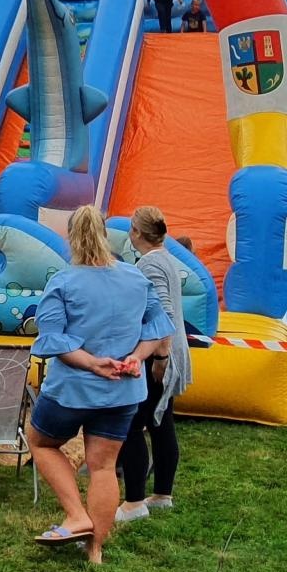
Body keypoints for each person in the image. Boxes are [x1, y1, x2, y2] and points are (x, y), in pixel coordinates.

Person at [27, 205, 173, 565]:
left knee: (41, 442)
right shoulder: (136, 279)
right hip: (122, 391)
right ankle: (95, 549)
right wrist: (137, 358)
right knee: (103, 467)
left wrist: (92, 362)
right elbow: (158, 326)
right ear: (106, 235)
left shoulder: (62, 281)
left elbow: (52, 339)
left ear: (71, 238)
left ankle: (76, 515)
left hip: (71, 389)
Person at [115, 207, 190, 522]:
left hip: (160, 356)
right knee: (161, 423)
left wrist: (159, 357)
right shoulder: (166, 259)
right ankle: (161, 493)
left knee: (132, 425)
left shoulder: (150, 264)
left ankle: (134, 502)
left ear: (136, 233)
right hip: (171, 352)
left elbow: (165, 313)